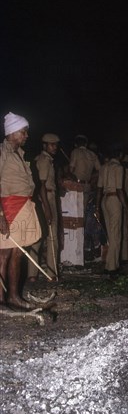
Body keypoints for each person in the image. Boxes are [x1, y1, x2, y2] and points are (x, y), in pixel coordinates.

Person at [0, 112, 42, 310]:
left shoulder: (19, 154)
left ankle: (9, 296)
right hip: (9, 207)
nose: (26, 136)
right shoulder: (2, 152)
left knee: (13, 253)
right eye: (23, 132)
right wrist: (0, 216)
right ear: (13, 132)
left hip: (22, 206)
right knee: (8, 254)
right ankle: (9, 297)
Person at [28, 133, 61, 282]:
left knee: (38, 236)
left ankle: (32, 274)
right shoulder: (44, 161)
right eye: (52, 145)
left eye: (55, 144)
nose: (55, 147)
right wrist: (47, 208)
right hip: (46, 197)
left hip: (42, 198)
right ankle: (51, 273)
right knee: (52, 236)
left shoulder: (41, 159)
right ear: (45, 146)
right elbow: (41, 185)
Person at [96, 146, 127, 276]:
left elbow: (99, 189)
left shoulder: (103, 167)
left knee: (111, 234)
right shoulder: (119, 168)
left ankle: (111, 264)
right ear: (120, 155)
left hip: (104, 199)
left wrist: (97, 207)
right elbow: (120, 190)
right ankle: (111, 267)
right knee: (116, 235)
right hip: (114, 199)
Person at [69, 135, 101, 212]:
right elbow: (100, 171)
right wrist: (91, 177)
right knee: (83, 211)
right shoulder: (93, 154)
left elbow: (71, 170)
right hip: (87, 185)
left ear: (76, 144)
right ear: (86, 144)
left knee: (74, 212)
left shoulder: (75, 152)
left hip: (76, 185)